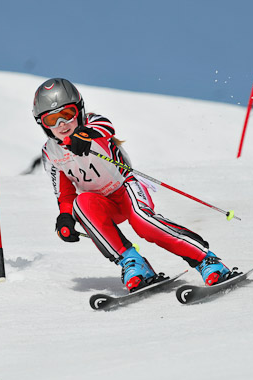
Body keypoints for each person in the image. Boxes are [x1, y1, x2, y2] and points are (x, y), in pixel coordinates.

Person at [33, 78, 231, 292]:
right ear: (43, 124)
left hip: (125, 189)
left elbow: (105, 127)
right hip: (100, 204)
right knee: (80, 205)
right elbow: (65, 194)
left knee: (143, 223)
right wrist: (65, 217)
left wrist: (84, 135)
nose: (61, 124)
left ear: (79, 111)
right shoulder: (50, 153)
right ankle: (133, 262)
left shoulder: (93, 124)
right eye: (51, 119)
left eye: (67, 114)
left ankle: (206, 260)